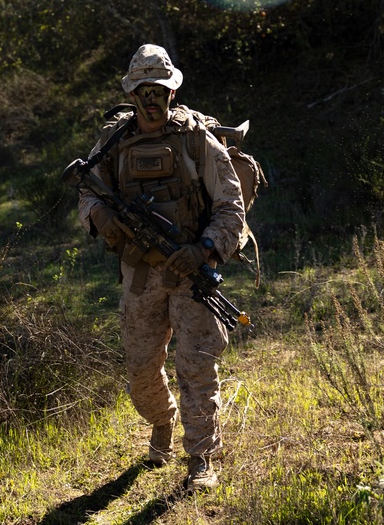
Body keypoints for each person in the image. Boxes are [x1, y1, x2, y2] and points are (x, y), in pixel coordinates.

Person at [77, 44, 246, 490]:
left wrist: (205, 248)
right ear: (132, 93)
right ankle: (162, 422)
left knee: (197, 364)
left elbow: (232, 207)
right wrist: (100, 216)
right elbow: (87, 190)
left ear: (172, 92)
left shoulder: (197, 141)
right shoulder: (114, 141)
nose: (151, 99)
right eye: (143, 90)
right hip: (139, 275)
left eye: (160, 90)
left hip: (191, 271)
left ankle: (202, 458)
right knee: (141, 372)